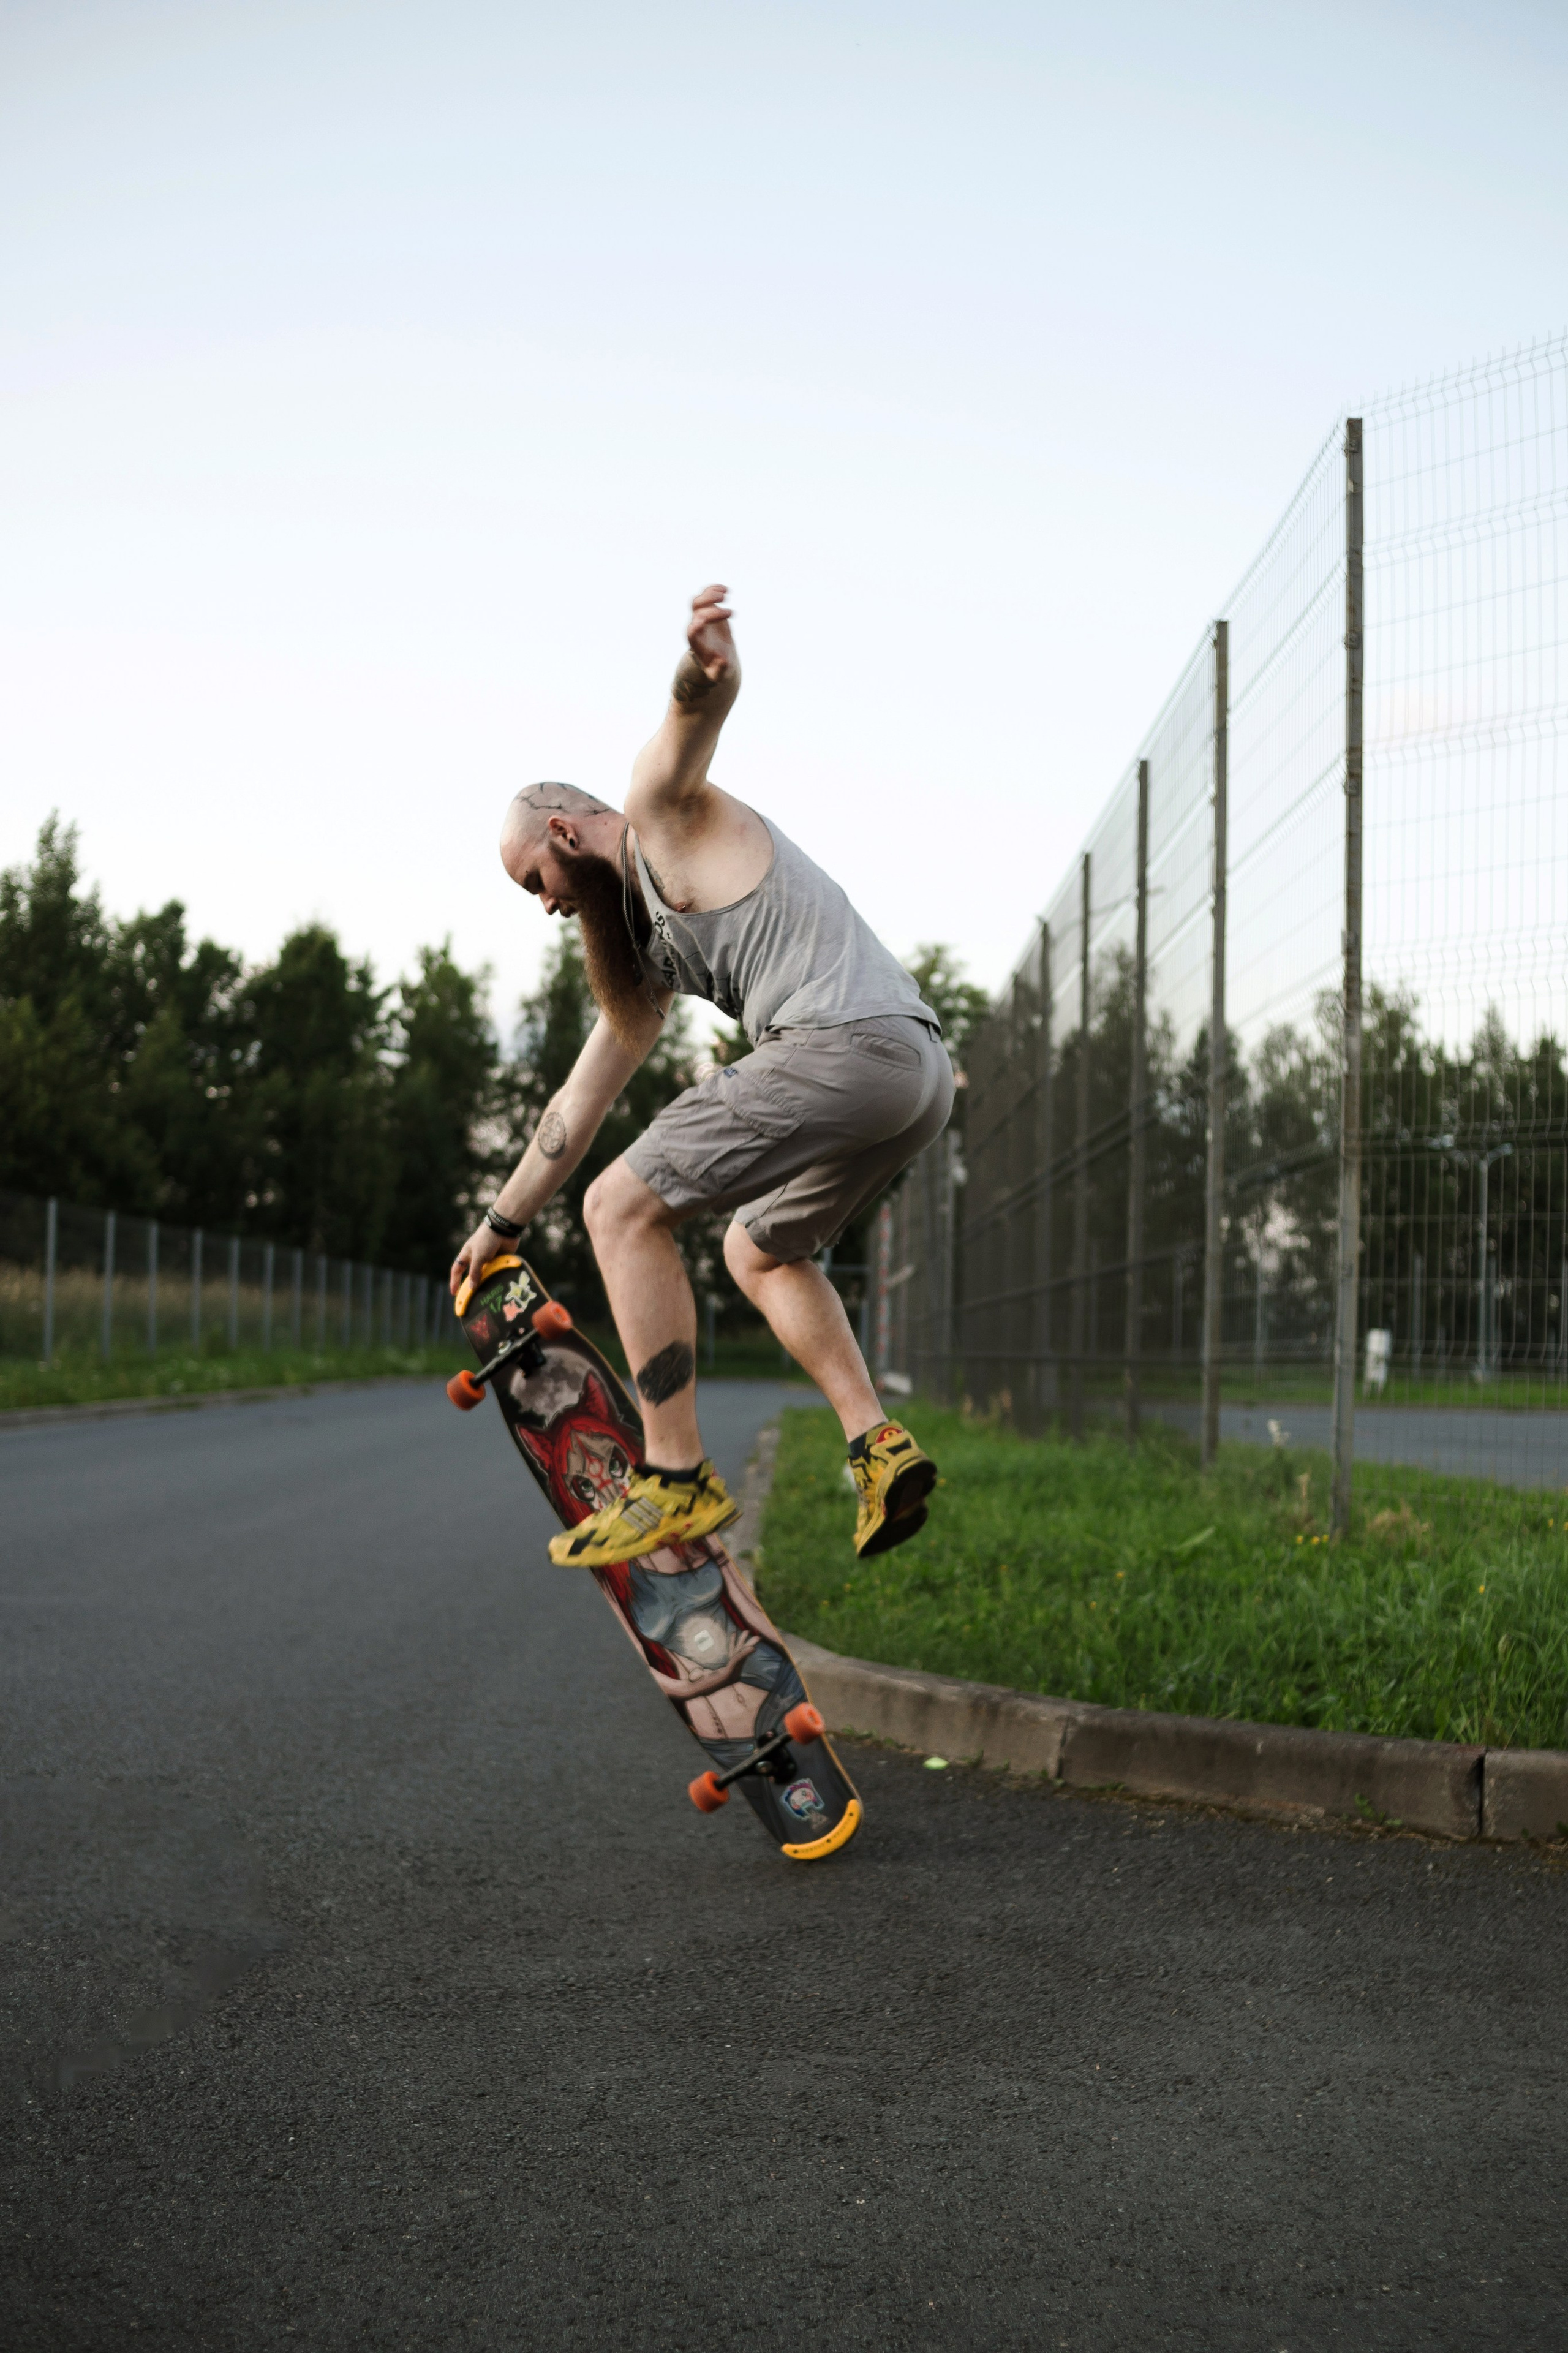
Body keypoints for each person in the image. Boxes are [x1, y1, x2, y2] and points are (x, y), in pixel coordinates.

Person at [450, 584, 954, 1569]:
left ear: (562, 834)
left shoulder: (656, 814)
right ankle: (879, 1446)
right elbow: (577, 1103)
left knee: (620, 1209)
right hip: (916, 1073)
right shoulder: (646, 955)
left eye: (535, 884)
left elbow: (689, 723)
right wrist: (501, 1222)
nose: (546, 908)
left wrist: (704, 671)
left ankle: (674, 1476)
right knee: (757, 1251)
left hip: (840, 1040)